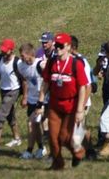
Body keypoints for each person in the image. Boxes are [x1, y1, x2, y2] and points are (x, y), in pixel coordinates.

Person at [36, 33, 89, 170]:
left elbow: (83, 87)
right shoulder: (52, 62)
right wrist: (40, 103)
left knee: (64, 136)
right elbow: (46, 83)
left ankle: (78, 153)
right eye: (56, 45)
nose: (57, 48)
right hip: (55, 104)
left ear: (68, 47)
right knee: (53, 137)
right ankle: (58, 164)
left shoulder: (76, 64)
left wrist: (80, 110)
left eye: (60, 46)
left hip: (71, 106)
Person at [0, 38, 24, 152]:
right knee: (9, 114)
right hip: (3, 90)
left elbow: (24, 80)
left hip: (14, 91)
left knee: (0, 115)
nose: (3, 53)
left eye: (5, 51)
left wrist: (25, 96)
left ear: (11, 50)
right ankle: (17, 138)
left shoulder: (17, 62)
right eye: (2, 50)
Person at [17, 43, 46, 159]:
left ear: (30, 54)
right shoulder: (20, 65)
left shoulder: (40, 64)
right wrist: (25, 97)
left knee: (31, 124)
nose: (21, 58)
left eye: (23, 55)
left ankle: (29, 151)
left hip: (42, 100)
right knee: (35, 126)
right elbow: (24, 80)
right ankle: (41, 148)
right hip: (31, 100)